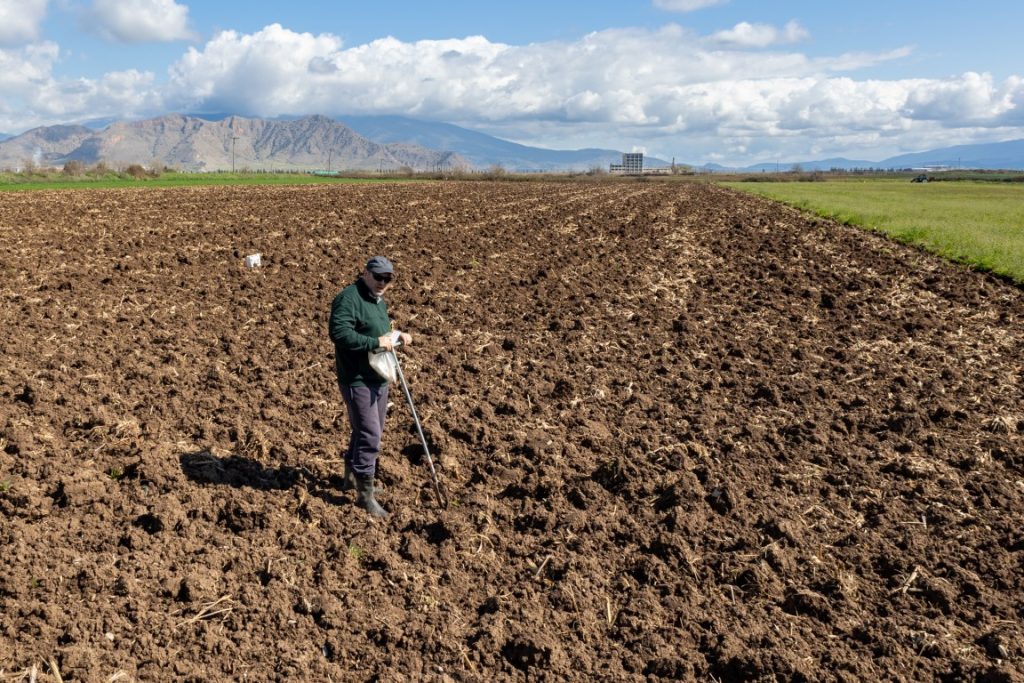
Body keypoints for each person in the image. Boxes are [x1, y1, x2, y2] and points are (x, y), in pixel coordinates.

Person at [328, 256, 412, 517]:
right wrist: (375, 343)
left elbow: (378, 330)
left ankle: (352, 478)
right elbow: (339, 333)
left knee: (364, 431)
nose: (383, 283)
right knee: (370, 435)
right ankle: (365, 495)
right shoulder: (349, 298)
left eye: (388, 279)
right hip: (358, 379)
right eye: (378, 277)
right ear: (365, 273)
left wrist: (396, 336)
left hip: (377, 376)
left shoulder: (378, 300)